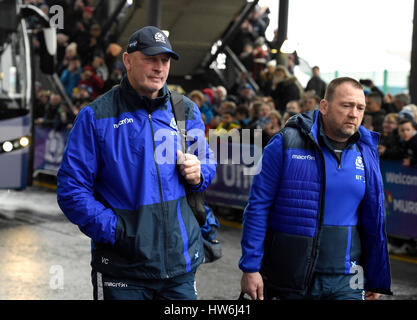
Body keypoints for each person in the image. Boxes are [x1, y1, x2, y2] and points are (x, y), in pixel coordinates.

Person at [57, 26, 216, 300]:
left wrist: (200, 171)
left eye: (164, 61)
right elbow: (72, 190)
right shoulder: (95, 116)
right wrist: (119, 231)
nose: (159, 68)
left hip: (180, 268)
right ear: (128, 60)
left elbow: (207, 161)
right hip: (123, 271)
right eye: (150, 58)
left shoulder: (185, 109)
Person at [239, 77, 392, 300]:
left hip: (349, 278)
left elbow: (372, 218)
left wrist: (374, 272)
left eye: (360, 107)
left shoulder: (366, 150)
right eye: (346, 105)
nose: (354, 113)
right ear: (324, 106)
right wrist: (250, 267)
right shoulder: (285, 143)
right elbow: (258, 207)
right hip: (294, 276)